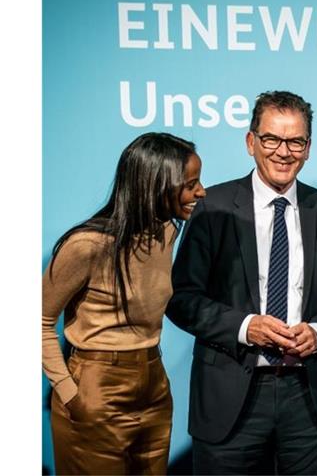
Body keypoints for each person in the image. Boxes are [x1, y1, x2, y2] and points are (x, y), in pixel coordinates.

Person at [166, 90, 317, 474]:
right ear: (251, 142)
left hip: (307, 397)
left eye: (295, 141)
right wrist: (246, 327)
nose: (283, 152)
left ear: (308, 148)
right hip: (229, 396)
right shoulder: (211, 205)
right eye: (272, 139)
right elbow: (182, 298)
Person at [42, 132, 205, 475]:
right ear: (156, 186)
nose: (201, 192)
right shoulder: (87, 244)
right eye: (191, 184)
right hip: (97, 388)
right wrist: (70, 392)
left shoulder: (167, 233)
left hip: (154, 385)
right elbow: (38, 320)